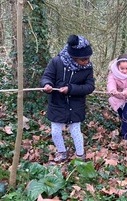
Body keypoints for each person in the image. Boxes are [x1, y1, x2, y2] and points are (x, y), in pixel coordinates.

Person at [40, 34, 95, 162]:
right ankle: (62, 152)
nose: (86, 62)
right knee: (55, 132)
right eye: (83, 59)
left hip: (76, 105)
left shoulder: (87, 68)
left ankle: (80, 155)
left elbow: (89, 87)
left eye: (88, 58)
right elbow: (46, 77)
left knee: (76, 131)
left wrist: (70, 89)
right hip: (57, 104)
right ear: (72, 57)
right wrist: (47, 85)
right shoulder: (56, 62)